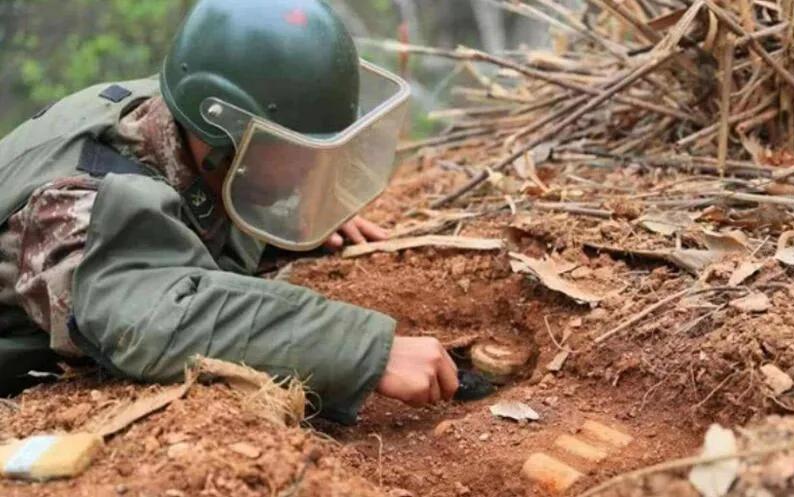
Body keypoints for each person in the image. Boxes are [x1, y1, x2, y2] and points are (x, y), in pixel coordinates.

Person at [0, 0, 458, 423]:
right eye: (298, 151)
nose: (308, 170)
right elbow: (155, 321)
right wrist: (364, 350)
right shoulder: (70, 208)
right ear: (229, 133)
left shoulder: (188, 116)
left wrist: (291, 208)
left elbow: (196, 195)